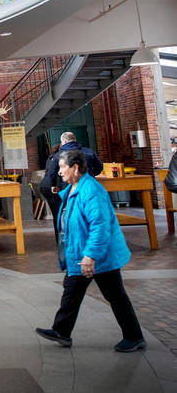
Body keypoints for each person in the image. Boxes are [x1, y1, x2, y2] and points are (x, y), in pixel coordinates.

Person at [35, 149, 146, 353]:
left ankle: (134, 336)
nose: (59, 172)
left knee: (115, 296)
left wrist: (90, 256)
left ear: (75, 168)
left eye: (62, 167)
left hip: (98, 257)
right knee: (72, 292)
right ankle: (61, 331)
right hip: (80, 253)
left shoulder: (91, 191)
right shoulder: (73, 188)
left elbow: (100, 226)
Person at [40, 143, 64, 244]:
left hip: (45, 186)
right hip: (52, 186)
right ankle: (61, 240)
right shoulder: (61, 157)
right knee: (60, 214)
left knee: (56, 215)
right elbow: (55, 175)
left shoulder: (51, 157)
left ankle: (59, 239)